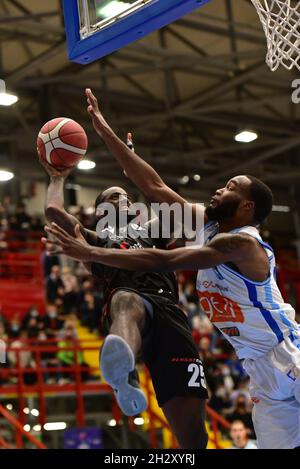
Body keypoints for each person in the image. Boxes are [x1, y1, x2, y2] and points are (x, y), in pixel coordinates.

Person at [43, 88, 300, 449]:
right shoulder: (206, 227)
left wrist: (90, 253)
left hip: (291, 353)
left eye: (229, 188)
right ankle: (125, 366)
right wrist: (103, 131)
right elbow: (153, 185)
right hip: (260, 372)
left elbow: (165, 259)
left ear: (245, 208)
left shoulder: (242, 243)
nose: (218, 190)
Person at [38, 145, 208, 450]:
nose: (125, 199)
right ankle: (124, 373)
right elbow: (54, 213)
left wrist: (132, 165)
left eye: (127, 196)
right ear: (102, 210)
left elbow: (188, 219)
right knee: (126, 301)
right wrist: (56, 177)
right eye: (116, 197)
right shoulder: (96, 240)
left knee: (194, 435)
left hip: (170, 313)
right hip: (129, 302)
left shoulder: (151, 230)